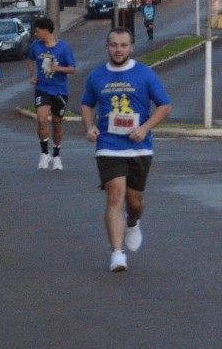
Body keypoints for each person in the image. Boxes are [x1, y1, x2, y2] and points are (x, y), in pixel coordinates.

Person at [80, 27, 172, 273]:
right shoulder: (96, 76)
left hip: (139, 147)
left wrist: (144, 127)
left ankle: (133, 221)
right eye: (114, 45)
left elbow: (164, 106)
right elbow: (87, 105)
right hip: (109, 146)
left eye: (123, 45)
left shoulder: (145, 74)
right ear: (107, 47)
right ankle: (117, 253)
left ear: (131, 47)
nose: (118, 49)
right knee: (114, 195)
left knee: (134, 201)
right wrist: (89, 128)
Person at [28, 16, 77, 172]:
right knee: (41, 119)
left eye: (37, 31)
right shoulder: (35, 46)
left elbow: (72, 69)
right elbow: (30, 60)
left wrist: (59, 68)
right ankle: (44, 153)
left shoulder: (63, 48)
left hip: (59, 90)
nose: (35, 34)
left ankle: (56, 155)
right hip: (43, 88)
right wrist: (33, 75)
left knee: (57, 123)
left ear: (46, 31)